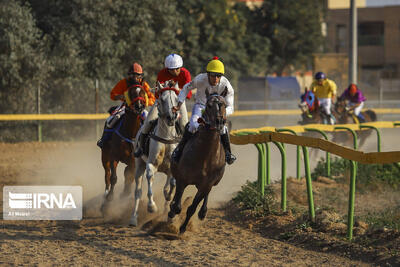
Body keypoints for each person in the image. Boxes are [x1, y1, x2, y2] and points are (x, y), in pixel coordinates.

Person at [171, 56, 236, 165]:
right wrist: (178, 104)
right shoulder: (200, 79)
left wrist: (222, 113)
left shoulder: (227, 86)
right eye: (213, 75)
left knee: (223, 129)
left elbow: (231, 107)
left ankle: (228, 154)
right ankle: (179, 151)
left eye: (218, 76)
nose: (215, 79)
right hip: (201, 107)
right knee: (192, 125)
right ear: (207, 74)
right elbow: (186, 88)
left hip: (217, 110)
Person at [134, 53, 192, 157]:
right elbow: (157, 94)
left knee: (184, 124)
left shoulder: (186, 74)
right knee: (148, 120)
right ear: (167, 68)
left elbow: (188, 94)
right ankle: (141, 147)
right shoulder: (162, 73)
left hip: (179, 101)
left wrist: (176, 90)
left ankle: (186, 151)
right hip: (163, 101)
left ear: (181, 67)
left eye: (177, 69)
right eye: (171, 69)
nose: (174, 71)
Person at [96, 62, 155, 148]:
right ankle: (104, 140)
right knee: (111, 120)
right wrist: (120, 96)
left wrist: (144, 101)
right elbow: (113, 94)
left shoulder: (144, 84)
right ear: (129, 75)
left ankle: (150, 142)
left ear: (141, 76)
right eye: (132, 75)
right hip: (125, 106)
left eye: (137, 75)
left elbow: (152, 99)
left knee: (150, 121)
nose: (135, 78)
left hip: (140, 108)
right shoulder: (124, 82)